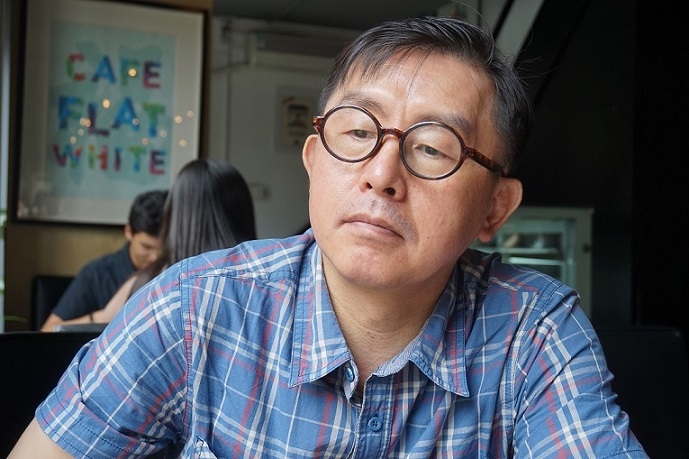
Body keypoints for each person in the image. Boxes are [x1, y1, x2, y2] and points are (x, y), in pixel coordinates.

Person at [11, 17, 647, 458]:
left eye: (432, 148)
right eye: (359, 132)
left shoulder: (532, 331)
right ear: (315, 159)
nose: (381, 174)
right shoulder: (193, 307)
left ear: (495, 208)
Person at [56, 157, 258, 327]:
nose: (154, 256)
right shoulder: (266, 282)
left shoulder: (150, 285)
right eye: (147, 247)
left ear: (177, 220)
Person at [39, 189, 167, 332]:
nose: (155, 257)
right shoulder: (96, 274)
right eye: (146, 247)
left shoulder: (174, 273)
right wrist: (101, 318)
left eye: (164, 248)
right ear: (129, 232)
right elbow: (48, 330)